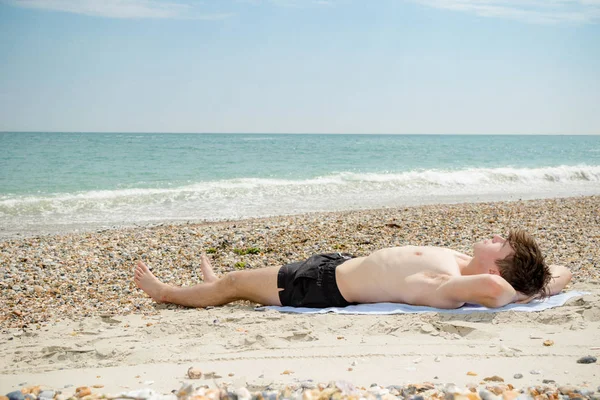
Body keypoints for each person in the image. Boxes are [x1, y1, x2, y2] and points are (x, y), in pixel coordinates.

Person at [133, 229, 572, 309]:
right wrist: (539, 287)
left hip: (321, 287)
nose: (494, 236)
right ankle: (222, 288)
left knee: (232, 282)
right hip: (334, 266)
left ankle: (169, 293)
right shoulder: (462, 263)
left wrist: (521, 293)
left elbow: (497, 294)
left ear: (497, 268)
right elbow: (562, 270)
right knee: (244, 284)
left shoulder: (451, 286)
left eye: (501, 244)